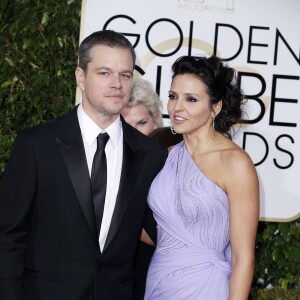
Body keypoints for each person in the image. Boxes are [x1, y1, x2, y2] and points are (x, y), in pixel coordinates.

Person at [0, 30, 168, 300]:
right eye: (104, 73)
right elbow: (7, 236)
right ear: (81, 77)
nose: (117, 84)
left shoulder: (152, 154)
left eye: (125, 75)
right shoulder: (37, 145)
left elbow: (164, 233)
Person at [144, 55, 259, 299]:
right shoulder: (165, 157)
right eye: (173, 96)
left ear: (215, 107)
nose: (177, 108)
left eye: (191, 99)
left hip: (206, 287)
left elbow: (243, 258)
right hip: (159, 284)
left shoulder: (235, 163)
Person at [120, 77, 164, 300]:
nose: (134, 134)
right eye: (126, 126)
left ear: (156, 121)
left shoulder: (169, 165)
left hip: (156, 269)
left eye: (141, 123)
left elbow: (167, 235)